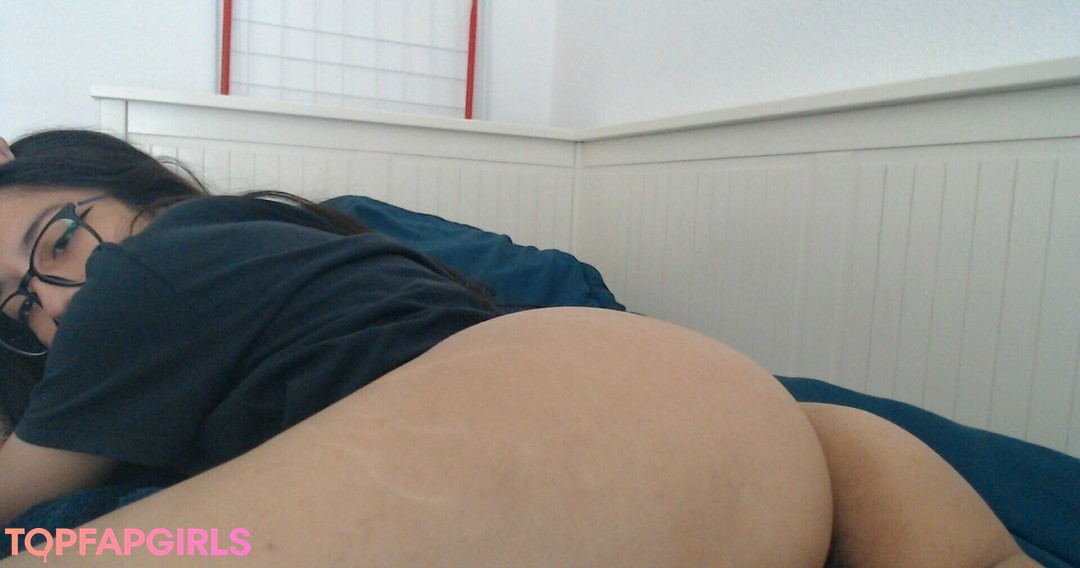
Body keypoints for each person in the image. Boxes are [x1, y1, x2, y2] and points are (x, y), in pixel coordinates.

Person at [0, 131, 1035, 566]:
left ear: (143, 193)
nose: (50, 298)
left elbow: (18, 488)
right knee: (826, 443)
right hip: (707, 407)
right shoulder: (285, 242)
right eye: (16, 306)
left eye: (57, 238)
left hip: (549, 421)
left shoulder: (142, 278)